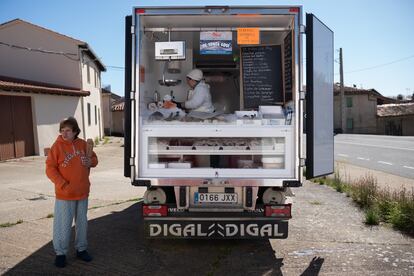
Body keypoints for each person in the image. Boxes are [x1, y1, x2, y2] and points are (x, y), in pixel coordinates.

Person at [45, 117, 98, 268]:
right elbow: (50, 168)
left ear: (75, 131)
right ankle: (60, 253)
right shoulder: (57, 147)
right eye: (62, 130)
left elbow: (93, 158)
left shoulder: (83, 144)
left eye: (68, 130)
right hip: (65, 194)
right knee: (63, 225)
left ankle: (81, 249)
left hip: (82, 192)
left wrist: (91, 162)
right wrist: (62, 184)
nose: (64, 133)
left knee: (82, 223)